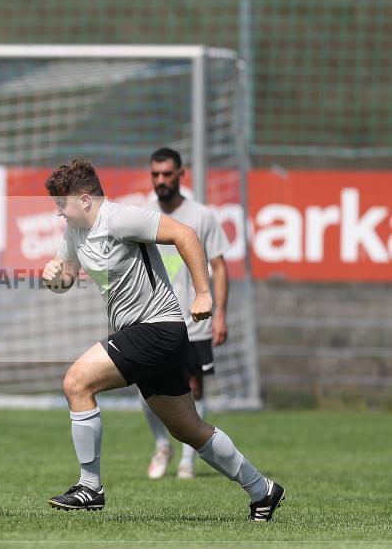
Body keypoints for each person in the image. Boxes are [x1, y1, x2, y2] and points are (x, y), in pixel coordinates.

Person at [40, 158, 284, 521]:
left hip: (158, 329)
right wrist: (52, 277)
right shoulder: (75, 232)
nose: (58, 212)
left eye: (62, 204)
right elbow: (66, 280)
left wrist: (203, 294)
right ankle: (262, 490)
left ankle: (90, 486)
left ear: (86, 199)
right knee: (189, 429)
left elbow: (184, 233)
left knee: (77, 382)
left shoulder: (120, 218)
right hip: (141, 335)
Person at [142, 147, 230, 480]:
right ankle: (162, 444)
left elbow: (219, 267)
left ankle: (188, 462)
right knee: (147, 389)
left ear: (181, 174)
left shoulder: (202, 216)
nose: (161, 180)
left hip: (196, 322)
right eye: (155, 174)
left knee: (194, 390)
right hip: (152, 321)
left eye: (167, 174)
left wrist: (219, 314)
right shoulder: (142, 215)